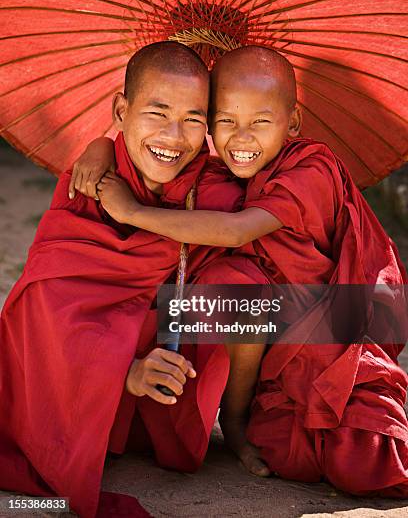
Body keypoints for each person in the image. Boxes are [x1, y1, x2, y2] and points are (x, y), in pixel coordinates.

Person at [72, 45, 408, 497]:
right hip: (281, 338)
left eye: (260, 122)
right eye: (225, 121)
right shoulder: (227, 174)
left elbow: (235, 231)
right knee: (283, 449)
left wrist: (130, 212)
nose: (241, 138)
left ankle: (236, 416)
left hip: (346, 328)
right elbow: (155, 164)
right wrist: (100, 146)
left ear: (292, 122)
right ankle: (236, 416)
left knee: (368, 460)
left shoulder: (313, 167)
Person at [0, 41, 266, 518]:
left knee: (248, 291)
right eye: (157, 112)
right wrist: (126, 372)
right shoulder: (89, 183)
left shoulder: (215, 188)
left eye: (193, 118)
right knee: (45, 296)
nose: (174, 135)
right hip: (95, 389)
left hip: (175, 391)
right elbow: (43, 307)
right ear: (121, 110)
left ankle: (240, 420)